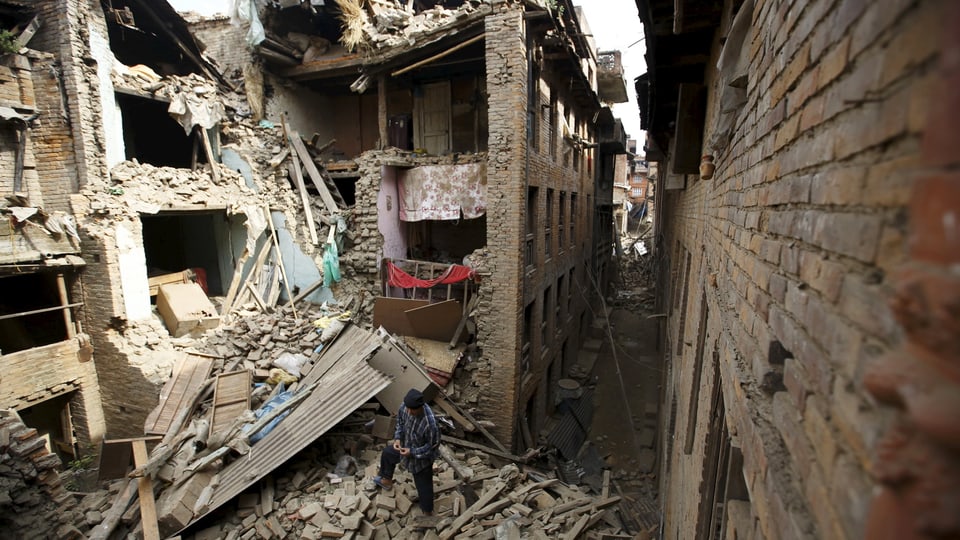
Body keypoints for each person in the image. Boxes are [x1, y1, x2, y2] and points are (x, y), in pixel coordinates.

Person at [372, 388, 441, 516]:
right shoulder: (405, 406)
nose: (409, 412)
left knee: (424, 487)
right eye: (408, 408)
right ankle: (386, 481)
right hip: (404, 447)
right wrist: (397, 439)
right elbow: (400, 423)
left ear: (421, 406)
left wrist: (413, 452)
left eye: (413, 410)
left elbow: (432, 447)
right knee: (388, 453)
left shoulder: (430, 423)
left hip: (421, 459)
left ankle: (427, 512)